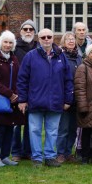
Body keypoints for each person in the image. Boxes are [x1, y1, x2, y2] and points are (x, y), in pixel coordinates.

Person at [17, 28, 74, 167]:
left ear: (53, 38)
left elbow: (68, 79)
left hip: (55, 101)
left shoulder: (61, 57)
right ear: (39, 39)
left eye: (49, 37)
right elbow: (22, 79)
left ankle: (49, 156)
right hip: (35, 101)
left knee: (52, 131)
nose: (46, 39)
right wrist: (22, 100)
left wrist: (67, 99)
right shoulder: (30, 56)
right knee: (34, 130)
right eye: (43, 37)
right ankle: (36, 157)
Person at [0, 30, 23, 167]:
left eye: (10, 43)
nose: (7, 45)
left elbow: (19, 77)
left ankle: (5, 155)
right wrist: (9, 94)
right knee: (0, 127)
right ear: (0, 42)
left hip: (13, 99)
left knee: (10, 127)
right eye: (5, 42)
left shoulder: (13, 59)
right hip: (0, 98)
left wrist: (17, 94)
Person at [10, 19, 37, 162]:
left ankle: (27, 151)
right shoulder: (14, 48)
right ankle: (16, 151)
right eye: (25, 29)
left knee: (30, 123)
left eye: (30, 29)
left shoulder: (38, 47)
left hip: (34, 91)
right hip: (17, 89)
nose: (28, 32)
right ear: (20, 32)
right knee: (16, 123)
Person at [57, 32, 81, 163]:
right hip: (65, 98)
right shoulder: (60, 57)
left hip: (77, 98)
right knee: (63, 128)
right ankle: (60, 153)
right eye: (68, 39)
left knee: (73, 128)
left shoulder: (79, 57)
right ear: (63, 42)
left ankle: (68, 152)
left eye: (73, 39)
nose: (71, 41)